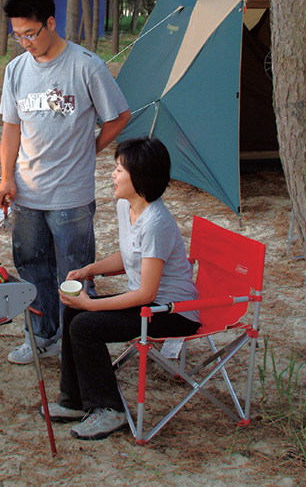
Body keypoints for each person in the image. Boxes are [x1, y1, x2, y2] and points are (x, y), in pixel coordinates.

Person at [0, 0, 131, 365]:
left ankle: (77, 347)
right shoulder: (16, 70)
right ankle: (41, 336)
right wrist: (7, 177)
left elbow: (119, 116)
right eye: (17, 35)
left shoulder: (85, 65)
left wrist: (90, 148)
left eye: (31, 33)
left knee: (74, 274)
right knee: (31, 268)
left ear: (51, 23)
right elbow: (11, 127)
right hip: (26, 193)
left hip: (70, 196)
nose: (25, 42)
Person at [50, 137, 200, 440]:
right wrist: (89, 270)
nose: (112, 175)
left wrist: (91, 304)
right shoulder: (126, 206)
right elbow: (130, 255)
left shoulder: (156, 222)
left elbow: (147, 293)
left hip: (172, 310)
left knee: (85, 326)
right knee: (72, 312)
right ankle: (75, 400)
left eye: (119, 169)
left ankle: (110, 411)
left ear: (140, 177)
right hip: (147, 303)